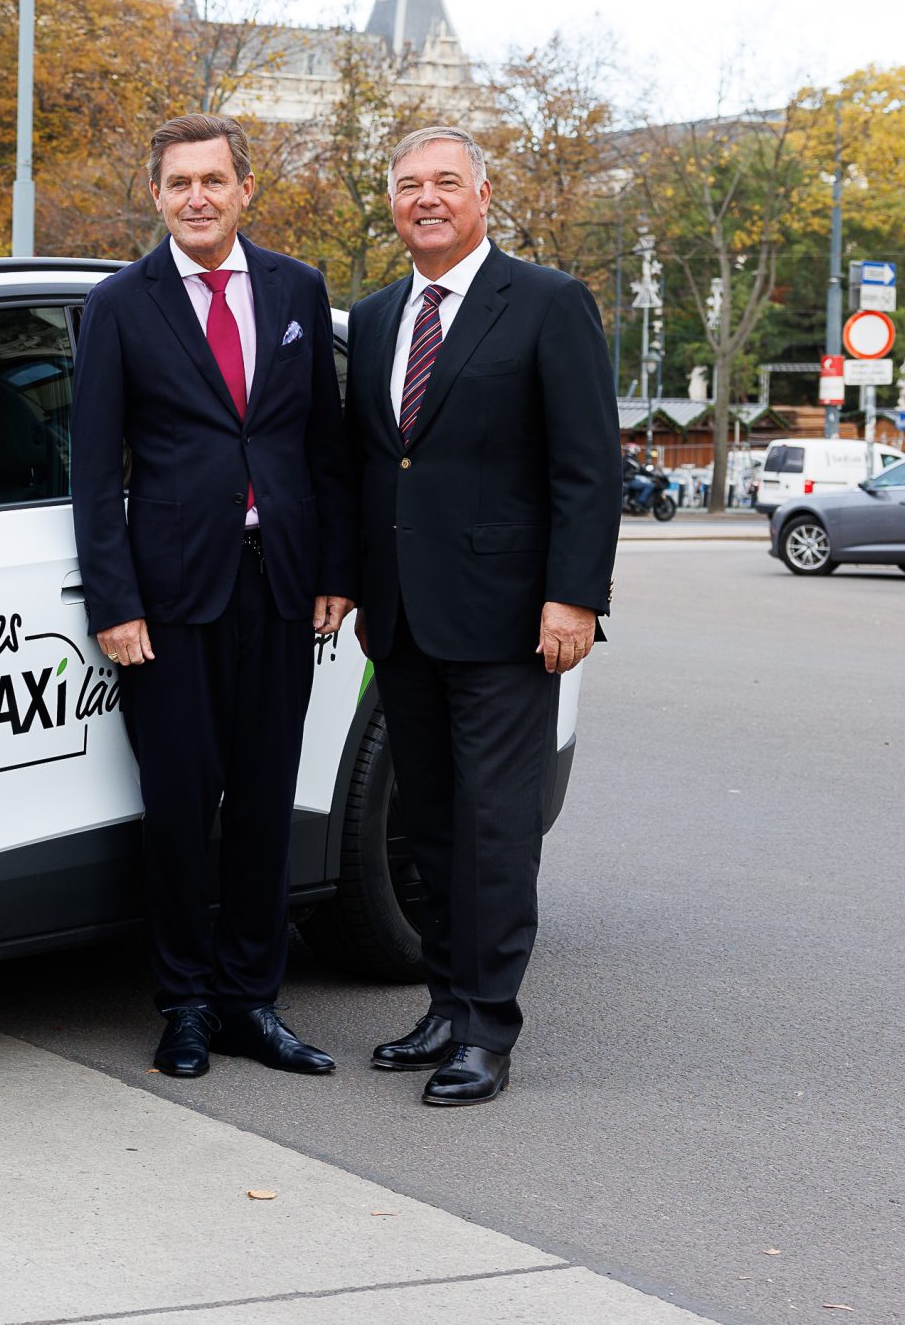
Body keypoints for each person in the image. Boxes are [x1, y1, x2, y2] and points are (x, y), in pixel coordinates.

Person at [73, 113, 356, 1080]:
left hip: (278, 588)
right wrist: (115, 601)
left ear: (245, 189)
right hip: (168, 600)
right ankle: (186, 1003)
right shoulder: (118, 304)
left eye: (214, 180)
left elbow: (323, 445)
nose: (197, 196)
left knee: (266, 802)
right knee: (182, 807)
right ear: (155, 195)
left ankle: (252, 1002)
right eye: (178, 182)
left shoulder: (297, 290)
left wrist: (334, 568)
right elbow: (91, 470)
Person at [344, 125, 617, 1108]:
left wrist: (575, 595)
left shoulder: (546, 303)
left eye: (444, 183)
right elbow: (370, 467)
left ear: (482, 195)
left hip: (512, 620)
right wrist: (354, 584)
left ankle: (486, 1031)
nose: (425, 198)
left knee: (497, 828)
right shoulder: (376, 318)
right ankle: (444, 1004)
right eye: (409, 184)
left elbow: (587, 465)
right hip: (403, 620)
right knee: (429, 826)